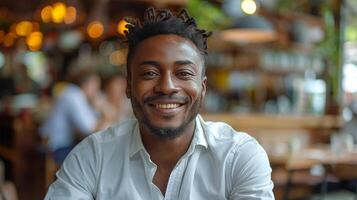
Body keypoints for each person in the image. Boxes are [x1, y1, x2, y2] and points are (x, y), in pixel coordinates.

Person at [45, 7, 274, 199]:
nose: (166, 86)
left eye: (183, 73)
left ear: (202, 89)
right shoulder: (93, 156)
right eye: (149, 73)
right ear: (128, 86)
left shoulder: (239, 157)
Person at [40, 68, 111, 164]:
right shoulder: (74, 96)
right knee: (96, 159)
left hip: (60, 144)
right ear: (87, 84)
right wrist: (103, 110)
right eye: (96, 85)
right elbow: (91, 128)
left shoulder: (75, 94)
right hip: (56, 148)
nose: (97, 90)